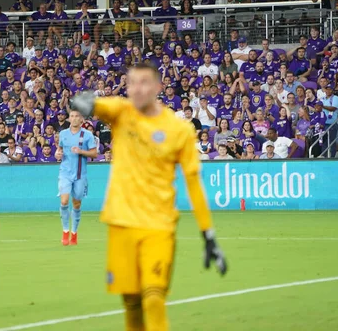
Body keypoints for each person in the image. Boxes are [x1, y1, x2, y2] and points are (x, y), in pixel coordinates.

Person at [70, 62, 227, 331]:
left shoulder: (178, 130)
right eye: (131, 82)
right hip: (121, 223)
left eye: (144, 82)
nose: (137, 88)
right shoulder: (122, 111)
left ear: (158, 87)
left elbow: (193, 183)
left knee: (153, 298)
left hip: (159, 226)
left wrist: (208, 233)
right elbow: (95, 104)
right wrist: (86, 101)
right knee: (131, 304)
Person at [54, 110, 97, 246]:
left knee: (77, 203)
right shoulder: (63, 134)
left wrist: (81, 151)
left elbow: (94, 154)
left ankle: (74, 232)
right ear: (69, 119)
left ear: (81, 119)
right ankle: (65, 231)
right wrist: (58, 154)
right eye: (72, 116)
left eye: (77, 116)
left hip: (80, 174)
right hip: (65, 172)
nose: (74, 119)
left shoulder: (88, 135)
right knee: (64, 200)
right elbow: (59, 149)